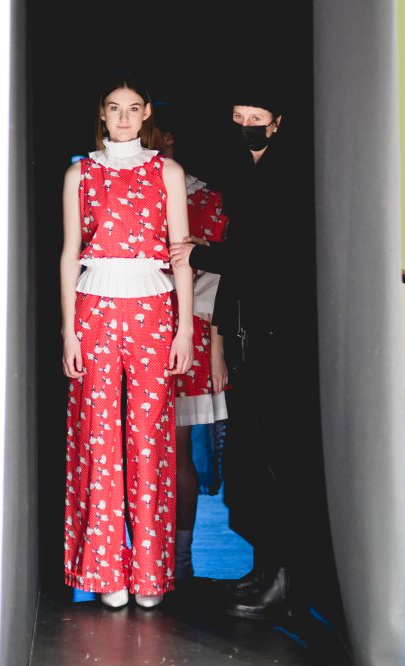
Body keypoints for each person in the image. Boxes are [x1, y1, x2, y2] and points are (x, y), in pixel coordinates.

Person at [169, 79, 324, 620]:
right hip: (251, 337)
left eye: (255, 118)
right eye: (238, 118)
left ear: (276, 123)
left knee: (279, 460)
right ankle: (266, 569)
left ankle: (284, 581)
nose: (246, 128)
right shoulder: (248, 176)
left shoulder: (286, 177)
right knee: (256, 460)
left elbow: (268, 257)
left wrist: (201, 254)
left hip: (279, 339)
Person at [61, 74, 194, 610]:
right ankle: (104, 570)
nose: (122, 117)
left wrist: (185, 328)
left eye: (132, 108)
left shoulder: (167, 172)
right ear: (101, 113)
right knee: (97, 437)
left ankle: (149, 572)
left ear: (146, 114)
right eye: (113, 108)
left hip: (153, 310)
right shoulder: (81, 173)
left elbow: (181, 254)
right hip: (94, 308)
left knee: (149, 436)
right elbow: (70, 252)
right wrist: (67, 329)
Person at [152, 104, 229, 580]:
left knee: (175, 448)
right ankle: (146, 557)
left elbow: (217, 280)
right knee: (140, 449)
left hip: (186, 331)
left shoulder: (206, 198)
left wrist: (216, 347)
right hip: (132, 325)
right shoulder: (128, 189)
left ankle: (178, 560)